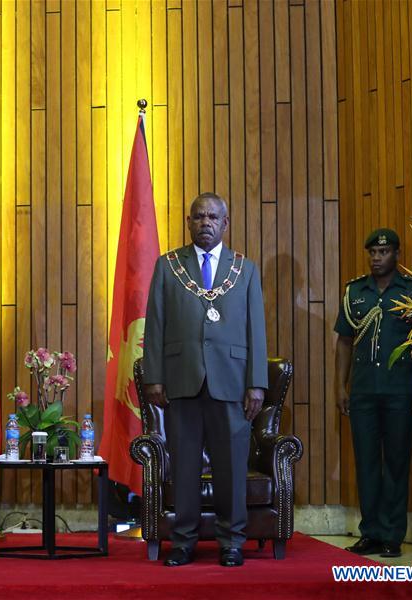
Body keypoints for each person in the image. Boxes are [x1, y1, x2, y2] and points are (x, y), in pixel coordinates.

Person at [142, 192, 268, 568]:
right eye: (198, 217)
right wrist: (154, 378)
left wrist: (256, 382)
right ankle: (183, 542)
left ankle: (232, 541)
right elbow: (156, 325)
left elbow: (255, 330)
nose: (205, 223)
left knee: (231, 465)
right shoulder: (168, 266)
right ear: (188, 221)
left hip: (232, 381)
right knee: (183, 467)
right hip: (182, 380)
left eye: (213, 217)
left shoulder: (244, 269)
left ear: (225, 224)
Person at [334, 228, 412, 559]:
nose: (376, 258)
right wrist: (340, 386)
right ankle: (370, 531)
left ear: (396, 254)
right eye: (372, 253)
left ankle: (392, 535)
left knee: (397, 463)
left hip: (400, 392)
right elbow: (344, 341)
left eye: (383, 253)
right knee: (367, 463)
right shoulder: (355, 291)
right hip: (364, 392)